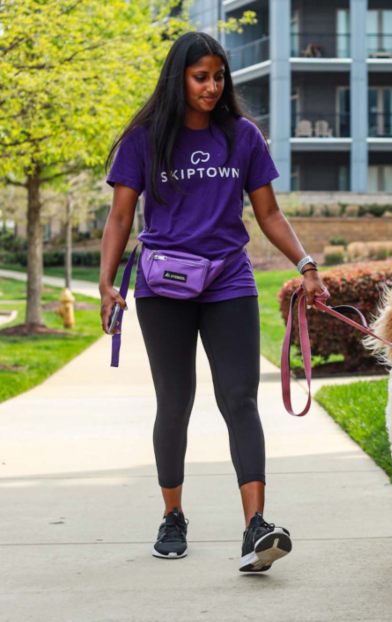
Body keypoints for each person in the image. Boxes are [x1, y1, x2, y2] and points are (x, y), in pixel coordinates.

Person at [99, 31, 327, 571]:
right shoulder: (145, 138)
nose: (211, 86)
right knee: (174, 402)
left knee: (240, 399)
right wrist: (108, 284)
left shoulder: (242, 136)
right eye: (201, 76)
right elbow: (120, 216)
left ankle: (255, 528)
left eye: (218, 76)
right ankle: (172, 515)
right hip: (164, 288)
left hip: (228, 282)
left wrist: (306, 264)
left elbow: (268, 214)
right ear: (179, 78)